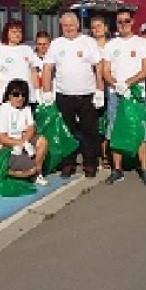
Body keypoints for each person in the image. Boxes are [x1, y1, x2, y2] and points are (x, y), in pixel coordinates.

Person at [42, 12, 104, 178]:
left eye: (71, 25)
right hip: (64, 95)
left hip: (86, 94)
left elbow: (98, 67)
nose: (68, 28)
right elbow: (47, 68)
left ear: (77, 25)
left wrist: (100, 90)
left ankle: (90, 163)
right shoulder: (56, 44)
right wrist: (46, 92)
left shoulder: (88, 42)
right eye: (65, 25)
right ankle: (68, 163)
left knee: (89, 131)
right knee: (66, 131)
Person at [101, 8, 146, 185]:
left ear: (132, 22)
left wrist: (128, 83)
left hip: (135, 93)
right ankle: (117, 169)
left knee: (141, 130)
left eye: (126, 21)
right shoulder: (111, 45)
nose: (123, 24)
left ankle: (144, 169)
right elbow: (105, 71)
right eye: (120, 22)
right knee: (114, 129)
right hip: (116, 93)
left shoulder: (142, 43)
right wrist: (116, 84)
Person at [0, 79, 49, 185]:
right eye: (16, 94)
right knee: (30, 169)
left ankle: (36, 174)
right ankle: (3, 171)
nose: (20, 98)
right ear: (9, 95)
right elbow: (2, 138)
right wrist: (20, 143)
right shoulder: (3, 110)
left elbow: (31, 127)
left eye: (23, 95)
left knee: (42, 141)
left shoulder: (26, 108)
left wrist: (24, 141)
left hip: (20, 144)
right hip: (3, 149)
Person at [0, 20, 37, 110]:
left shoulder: (27, 49)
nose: (17, 34)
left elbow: (33, 72)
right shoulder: (0, 51)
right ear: (7, 34)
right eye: (14, 32)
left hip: (26, 97)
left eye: (20, 32)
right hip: (7, 97)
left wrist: (37, 92)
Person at [90, 16, 111, 167]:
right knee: (94, 124)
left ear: (105, 28)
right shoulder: (89, 47)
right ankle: (95, 154)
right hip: (92, 90)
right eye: (93, 27)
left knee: (108, 122)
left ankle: (106, 154)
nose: (96, 29)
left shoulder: (111, 46)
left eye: (99, 26)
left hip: (109, 89)